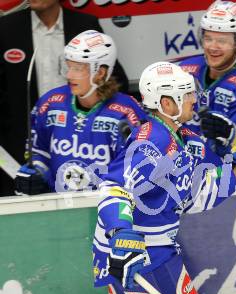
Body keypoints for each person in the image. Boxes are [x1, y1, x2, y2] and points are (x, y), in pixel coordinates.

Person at [93, 61, 236, 294]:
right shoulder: (151, 141)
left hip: (123, 255)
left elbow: (196, 195)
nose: (194, 99)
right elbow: (114, 188)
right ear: (166, 102)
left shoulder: (186, 139)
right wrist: (121, 232)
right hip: (143, 254)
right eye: (186, 94)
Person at [0, 0, 129, 196]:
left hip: (79, 147)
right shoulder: (6, 28)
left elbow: (114, 81)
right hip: (22, 150)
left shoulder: (84, 25)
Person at [14, 30, 142, 195]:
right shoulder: (51, 103)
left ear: (100, 72)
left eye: (78, 68)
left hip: (109, 210)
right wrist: (35, 176)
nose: (69, 75)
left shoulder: (127, 113)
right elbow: (39, 152)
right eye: (68, 66)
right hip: (59, 210)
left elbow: (137, 168)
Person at [179, 1, 236, 139]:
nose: (213, 47)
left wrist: (231, 135)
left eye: (222, 41)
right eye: (208, 39)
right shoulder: (184, 70)